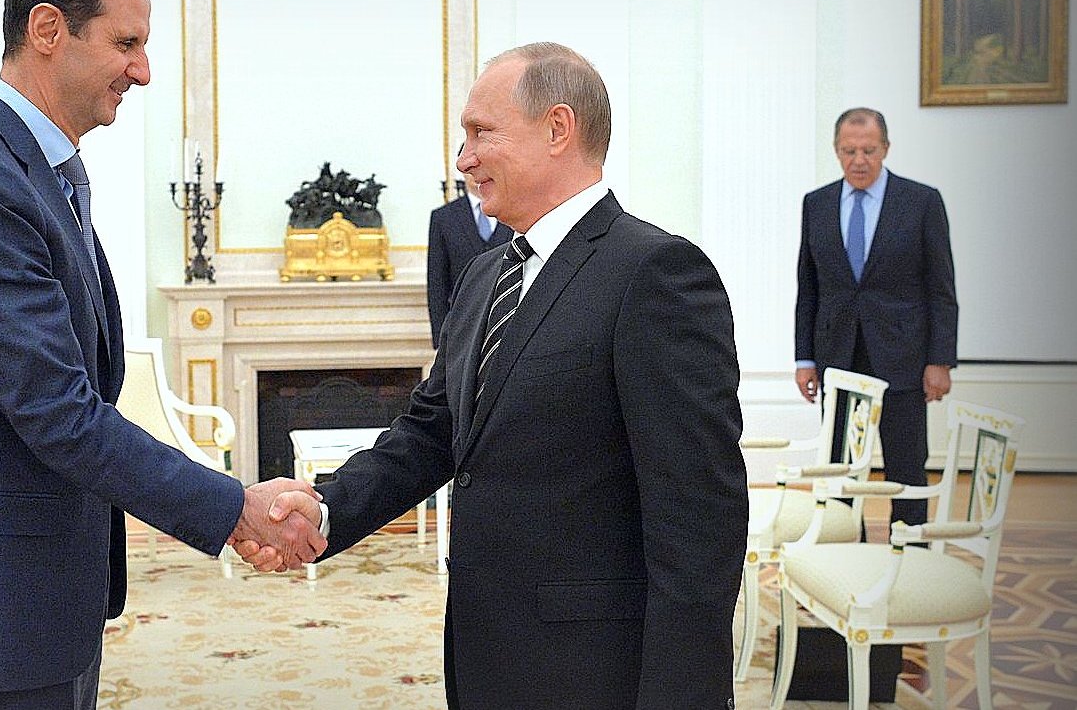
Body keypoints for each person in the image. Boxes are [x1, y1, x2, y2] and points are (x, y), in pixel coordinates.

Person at [0, 0, 324, 708]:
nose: (142, 69)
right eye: (125, 42)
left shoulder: (36, 171)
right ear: (46, 30)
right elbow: (58, 409)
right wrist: (230, 504)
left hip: (35, 579)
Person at [240, 42, 747, 709]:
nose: (463, 158)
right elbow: (431, 431)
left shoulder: (654, 273)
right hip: (487, 657)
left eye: (481, 132)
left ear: (557, 128)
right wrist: (325, 507)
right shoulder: (485, 275)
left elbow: (698, 517)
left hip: (597, 670)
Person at [795, 107, 957, 527]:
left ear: (885, 148)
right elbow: (809, 288)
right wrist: (804, 359)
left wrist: (940, 360)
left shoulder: (921, 202)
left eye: (868, 150)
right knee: (841, 469)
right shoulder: (817, 204)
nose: (859, 160)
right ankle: (845, 556)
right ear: (836, 151)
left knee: (906, 467)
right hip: (839, 359)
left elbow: (941, 289)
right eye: (849, 151)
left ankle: (913, 558)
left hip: (903, 361)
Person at [426, 172, 512, 346]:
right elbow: (437, 283)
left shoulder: (514, 210)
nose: (478, 174)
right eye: (472, 168)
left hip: (507, 323)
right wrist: (441, 341)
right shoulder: (443, 217)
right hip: (461, 325)